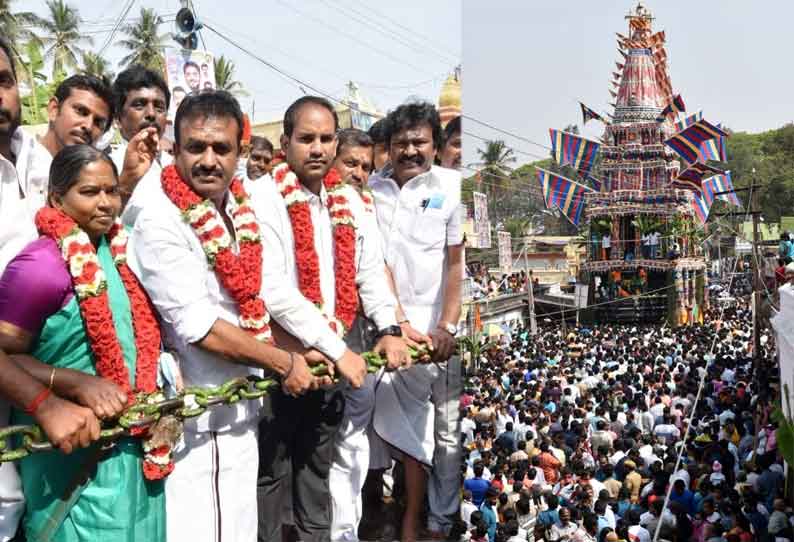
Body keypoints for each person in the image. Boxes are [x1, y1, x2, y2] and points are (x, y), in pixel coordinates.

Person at [129, 90, 317, 542]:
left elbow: (259, 292)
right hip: (196, 418)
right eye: (196, 147)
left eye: (222, 149)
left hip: (238, 408)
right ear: (175, 149)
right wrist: (284, 362)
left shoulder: (237, 207)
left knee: (237, 527)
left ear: (240, 153)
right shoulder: (158, 217)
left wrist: (305, 349)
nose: (209, 160)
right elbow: (200, 329)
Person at [254, 95, 409, 542]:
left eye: (325, 139)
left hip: (330, 364)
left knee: (316, 471)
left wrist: (389, 329)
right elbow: (275, 291)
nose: (317, 149)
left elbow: (369, 274)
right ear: (284, 143)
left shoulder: (350, 204)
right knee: (272, 474)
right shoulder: (263, 198)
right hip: (282, 360)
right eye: (306, 139)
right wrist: (338, 350)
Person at [0, 144, 166, 540]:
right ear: (57, 198)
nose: (106, 203)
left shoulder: (123, 252)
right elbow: (4, 354)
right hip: (70, 451)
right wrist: (74, 384)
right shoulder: (41, 265)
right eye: (89, 192)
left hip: (134, 452)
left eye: (112, 191)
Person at [369, 101, 463, 541]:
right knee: (379, 425)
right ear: (387, 147)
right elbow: (375, 262)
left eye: (419, 141)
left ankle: (430, 522)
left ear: (435, 145)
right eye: (401, 142)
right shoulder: (372, 190)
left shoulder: (452, 187)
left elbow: (455, 265)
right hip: (383, 329)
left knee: (441, 435)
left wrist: (446, 326)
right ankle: (391, 516)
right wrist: (395, 321)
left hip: (435, 339)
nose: (410, 150)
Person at [109, 65, 171, 226]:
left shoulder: (177, 165)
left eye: (159, 107)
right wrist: (127, 181)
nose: (151, 114)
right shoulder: (104, 167)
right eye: (139, 105)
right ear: (118, 119)